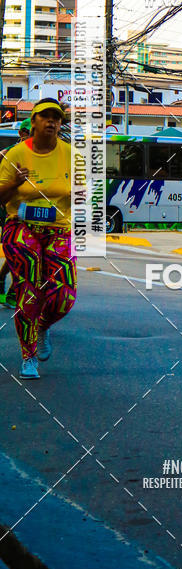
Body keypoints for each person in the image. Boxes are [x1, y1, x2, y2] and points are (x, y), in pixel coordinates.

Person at [0, 100, 75, 379]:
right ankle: (28, 355)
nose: (51, 122)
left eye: (56, 118)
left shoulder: (71, 154)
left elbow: (84, 194)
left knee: (64, 297)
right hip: (21, 225)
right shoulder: (15, 154)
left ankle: (42, 327)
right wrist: (14, 183)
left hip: (58, 229)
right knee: (30, 292)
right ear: (33, 122)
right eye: (45, 117)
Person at [0, 118, 31, 308]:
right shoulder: (8, 154)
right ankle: (11, 290)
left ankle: (5, 281)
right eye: (31, 132)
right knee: (18, 253)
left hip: (37, 211)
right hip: (12, 210)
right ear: (22, 134)